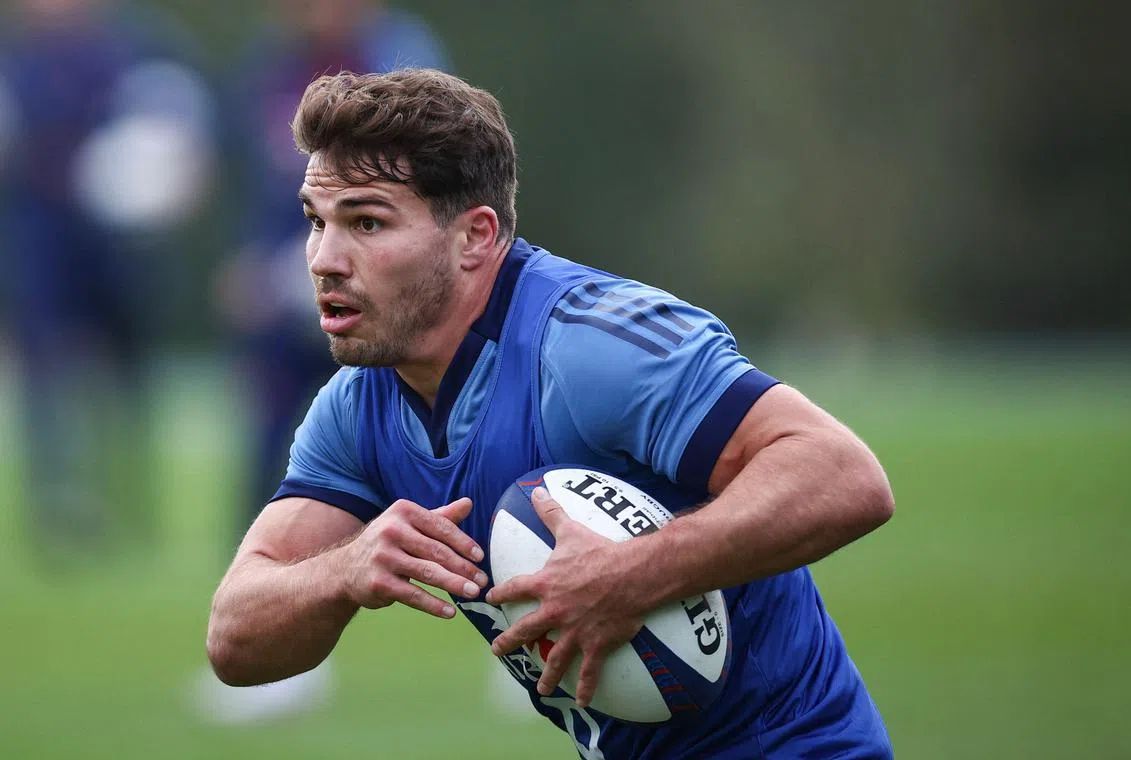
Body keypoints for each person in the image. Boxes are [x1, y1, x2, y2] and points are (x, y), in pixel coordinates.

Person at [206, 69, 896, 758]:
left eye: (366, 222)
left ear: (475, 237)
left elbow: (844, 476)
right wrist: (343, 570)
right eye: (315, 222)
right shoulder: (357, 409)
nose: (324, 260)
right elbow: (234, 641)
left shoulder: (590, 347)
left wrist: (633, 574)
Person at [199, 1, 450, 724]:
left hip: (381, 295)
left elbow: (427, 186)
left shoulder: (405, 55)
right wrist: (254, 265)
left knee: (445, 453)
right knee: (267, 454)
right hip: (291, 294)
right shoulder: (267, 67)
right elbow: (262, 186)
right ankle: (272, 644)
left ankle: (534, 609)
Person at [0, 0, 214, 562]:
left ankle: (132, 504)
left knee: (131, 376)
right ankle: (58, 512)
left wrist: (172, 178)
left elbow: (185, 136)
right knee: (46, 374)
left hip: (124, 248)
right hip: (45, 241)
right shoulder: (20, 61)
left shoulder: (140, 48)